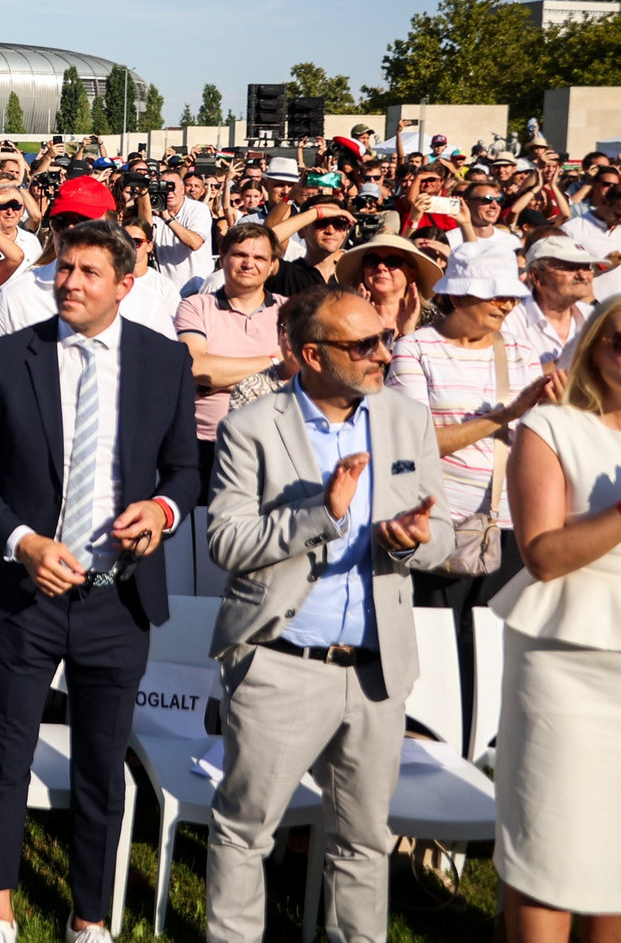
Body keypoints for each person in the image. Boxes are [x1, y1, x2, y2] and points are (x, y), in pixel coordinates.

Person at [0, 219, 198, 943]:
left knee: (102, 763)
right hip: (24, 594)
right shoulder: (6, 358)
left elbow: (185, 470)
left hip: (117, 598)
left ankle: (89, 917)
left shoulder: (163, 362)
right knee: (5, 754)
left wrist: (161, 510)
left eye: (90, 272)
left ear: (127, 285)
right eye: (65, 268)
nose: (69, 281)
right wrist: (22, 542)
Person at [202, 287, 453, 943]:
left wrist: (415, 537)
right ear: (312, 355)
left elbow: (449, 533)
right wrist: (323, 514)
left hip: (376, 671)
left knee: (364, 841)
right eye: (363, 344)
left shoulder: (406, 418)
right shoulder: (252, 426)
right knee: (246, 832)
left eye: (385, 338)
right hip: (280, 663)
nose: (382, 353)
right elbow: (226, 542)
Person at [388, 239, 561, 747]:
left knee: (489, 653)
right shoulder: (415, 348)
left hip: (506, 525)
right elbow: (414, 443)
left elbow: (540, 436)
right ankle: (424, 765)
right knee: (434, 656)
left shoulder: (521, 351)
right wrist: (501, 419)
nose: (508, 305)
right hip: (436, 526)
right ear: (459, 297)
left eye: (510, 296)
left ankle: (480, 759)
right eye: (495, 297)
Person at [494, 295, 621, 940]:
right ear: (594, 348)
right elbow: (541, 556)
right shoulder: (551, 428)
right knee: (547, 841)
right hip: (563, 665)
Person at [0, 176, 179, 341]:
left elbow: (167, 375)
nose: (71, 230)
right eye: (61, 222)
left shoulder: (145, 302)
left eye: (83, 221)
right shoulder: (17, 297)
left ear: (113, 225)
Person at [175, 224, 284, 512]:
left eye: (260, 258)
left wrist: (216, 381)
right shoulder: (195, 306)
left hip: (275, 444)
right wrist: (274, 363)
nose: (249, 263)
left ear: (273, 266)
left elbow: (301, 374)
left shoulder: (290, 312)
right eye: (239, 254)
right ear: (222, 259)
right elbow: (197, 367)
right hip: (206, 445)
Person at [503, 235, 595, 367]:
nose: (582, 275)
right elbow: (507, 378)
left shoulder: (593, 316)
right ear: (536, 277)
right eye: (569, 267)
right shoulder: (510, 321)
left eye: (587, 267)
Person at [336, 233, 440, 338]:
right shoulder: (343, 316)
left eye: (393, 262)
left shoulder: (433, 322)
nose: (381, 267)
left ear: (412, 274)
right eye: (372, 261)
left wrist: (408, 334)